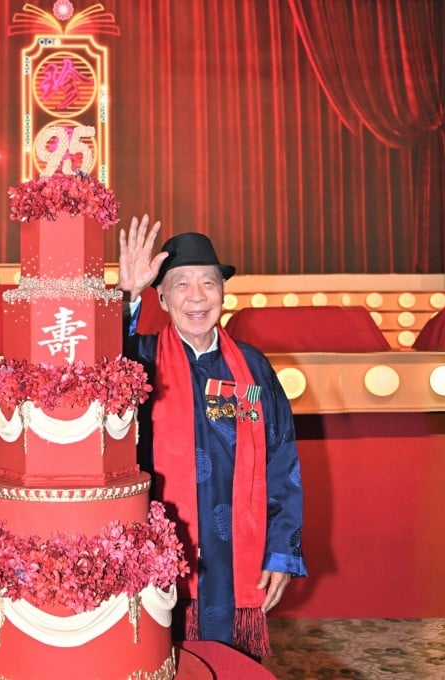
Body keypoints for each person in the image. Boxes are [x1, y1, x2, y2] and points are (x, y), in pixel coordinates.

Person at [118, 215, 307, 659]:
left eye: (209, 282)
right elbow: (97, 360)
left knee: (231, 663)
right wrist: (126, 297)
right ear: (161, 297)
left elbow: (283, 459)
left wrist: (280, 550)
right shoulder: (140, 360)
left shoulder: (252, 367)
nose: (197, 296)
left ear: (223, 292)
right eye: (181, 284)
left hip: (236, 551)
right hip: (162, 548)